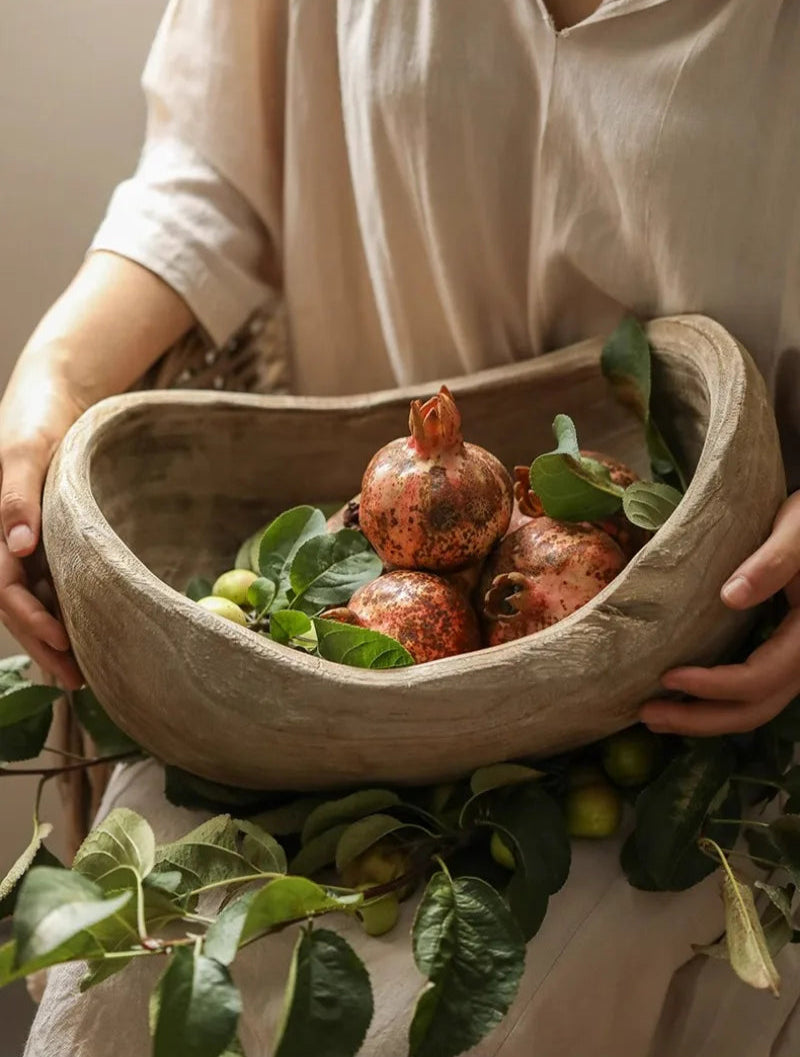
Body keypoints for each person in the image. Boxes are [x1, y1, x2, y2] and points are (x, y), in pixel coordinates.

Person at [5, 1, 800, 1053]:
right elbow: (204, 181)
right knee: (128, 999)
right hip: (309, 682)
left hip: (708, 698)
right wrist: (46, 389)